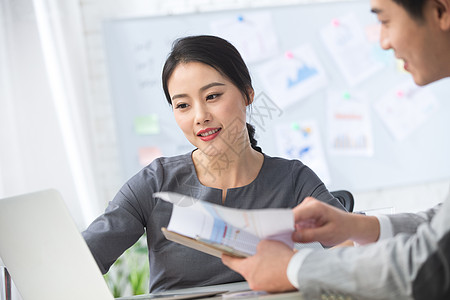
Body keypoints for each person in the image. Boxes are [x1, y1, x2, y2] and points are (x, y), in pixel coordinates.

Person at [222, 0, 450, 299]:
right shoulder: (158, 177)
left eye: (385, 21)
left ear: (440, 11)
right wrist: (357, 225)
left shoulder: (291, 173)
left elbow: (427, 268)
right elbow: (441, 230)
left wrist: (295, 267)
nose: (383, 42)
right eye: (181, 104)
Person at [82, 35, 345, 293]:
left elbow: (354, 254)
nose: (200, 117)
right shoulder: (155, 182)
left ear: (247, 94)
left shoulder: (293, 179)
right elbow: (83, 259)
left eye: (212, 96)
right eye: (183, 105)